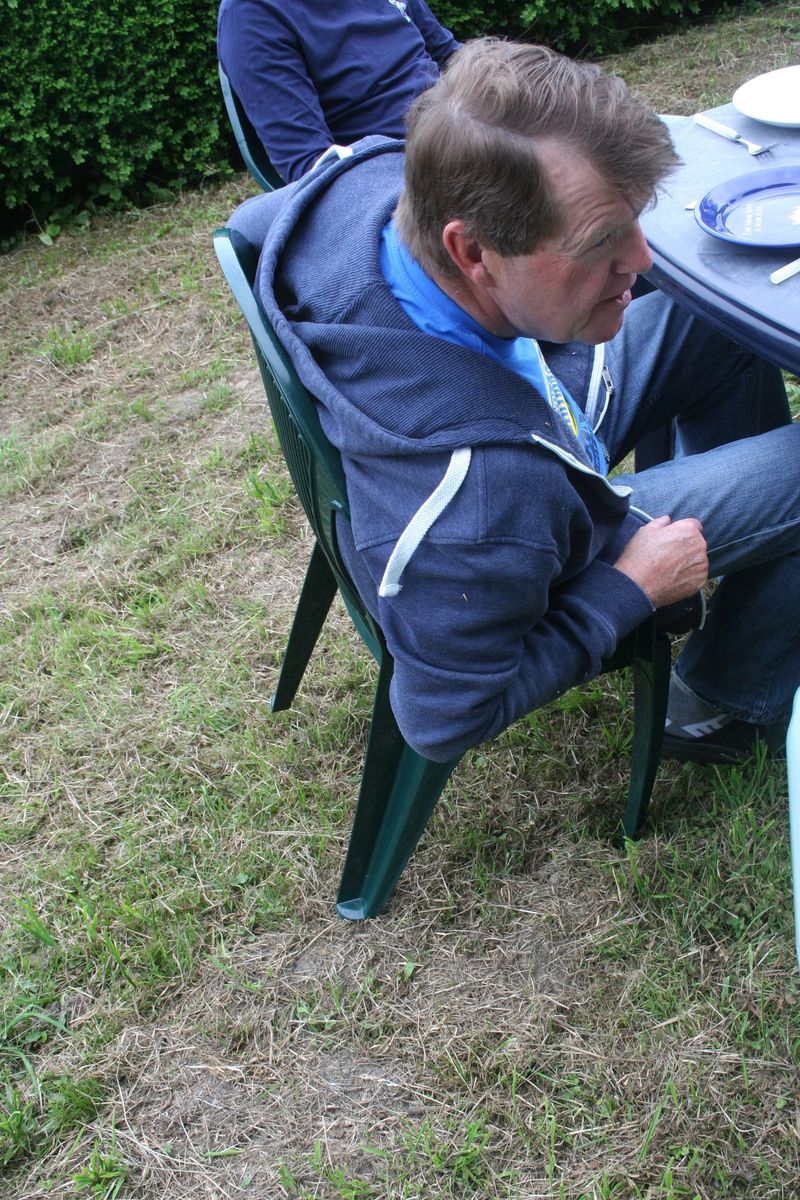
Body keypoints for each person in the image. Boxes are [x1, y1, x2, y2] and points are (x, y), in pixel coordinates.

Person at [234, 38, 800, 766]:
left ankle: (758, 581)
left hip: (534, 404)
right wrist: (626, 590)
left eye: (638, 218)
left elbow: (249, 225)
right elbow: (442, 721)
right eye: (601, 240)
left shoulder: (364, 181)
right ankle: (717, 702)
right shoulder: (480, 508)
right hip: (540, 496)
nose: (641, 259)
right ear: (472, 253)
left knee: (717, 317)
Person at [216, 0, 460, 183]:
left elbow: (451, 56)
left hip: (461, 134)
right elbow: (313, 168)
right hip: (406, 172)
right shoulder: (251, 13)